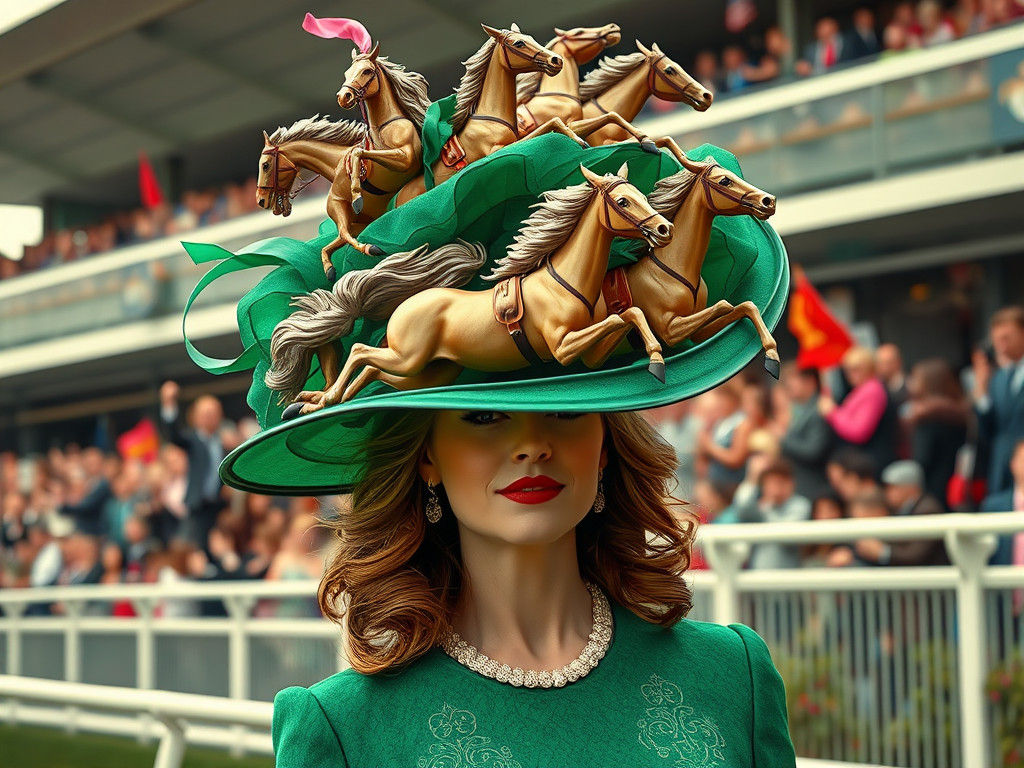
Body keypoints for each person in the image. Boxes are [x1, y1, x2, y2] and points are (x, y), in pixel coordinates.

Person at [178, 88, 795, 765]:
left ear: (606, 442)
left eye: (566, 407)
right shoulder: (343, 729)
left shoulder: (733, 676)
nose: (532, 444)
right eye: (482, 416)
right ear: (426, 459)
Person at [158, 380, 225, 547]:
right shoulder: (193, 440)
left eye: (213, 413)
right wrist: (169, 404)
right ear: (196, 416)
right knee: (190, 545)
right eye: (205, 413)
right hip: (197, 503)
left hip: (219, 506)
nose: (210, 417)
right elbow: (173, 435)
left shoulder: (224, 442)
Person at [852, 460, 949, 566]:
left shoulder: (928, 510)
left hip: (931, 576)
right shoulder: (900, 509)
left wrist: (883, 552)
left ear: (910, 487)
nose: (888, 493)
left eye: (893, 487)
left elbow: (916, 554)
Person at [819, 346, 900, 472]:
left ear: (868, 368)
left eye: (856, 369)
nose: (851, 375)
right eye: (848, 370)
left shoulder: (872, 390)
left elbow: (859, 432)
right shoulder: (863, 389)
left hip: (872, 462)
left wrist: (832, 413)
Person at [973, 306, 1024, 496]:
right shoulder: (998, 378)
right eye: (996, 340)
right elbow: (990, 429)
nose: (1001, 345)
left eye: (1007, 337)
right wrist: (981, 392)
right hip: (1001, 469)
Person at [904, 358, 969, 504]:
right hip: (954, 484)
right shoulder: (958, 412)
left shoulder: (926, 417)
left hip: (932, 487)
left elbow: (922, 458)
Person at [736, 458, 812, 569]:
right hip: (758, 578)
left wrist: (767, 509)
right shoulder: (761, 507)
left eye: (779, 482)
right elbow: (741, 508)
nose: (775, 488)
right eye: (769, 483)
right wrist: (752, 479)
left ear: (791, 483)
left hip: (788, 579)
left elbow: (787, 532)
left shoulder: (800, 504)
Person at [778, 364, 833, 500]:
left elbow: (813, 451)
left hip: (813, 487)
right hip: (799, 485)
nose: (789, 387)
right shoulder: (799, 410)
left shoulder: (818, 410)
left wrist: (783, 438)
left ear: (810, 382)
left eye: (793, 382)